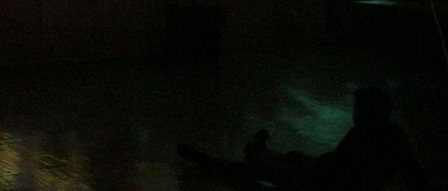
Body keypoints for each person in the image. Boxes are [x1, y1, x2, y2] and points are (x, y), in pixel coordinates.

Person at [177, 86, 428, 190]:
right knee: (290, 157)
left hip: (315, 180)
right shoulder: (394, 135)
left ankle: (211, 159)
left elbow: (337, 171)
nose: (354, 114)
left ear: (366, 112)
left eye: (358, 109)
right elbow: (413, 172)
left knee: (257, 168)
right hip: (321, 173)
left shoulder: (362, 135)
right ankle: (254, 148)